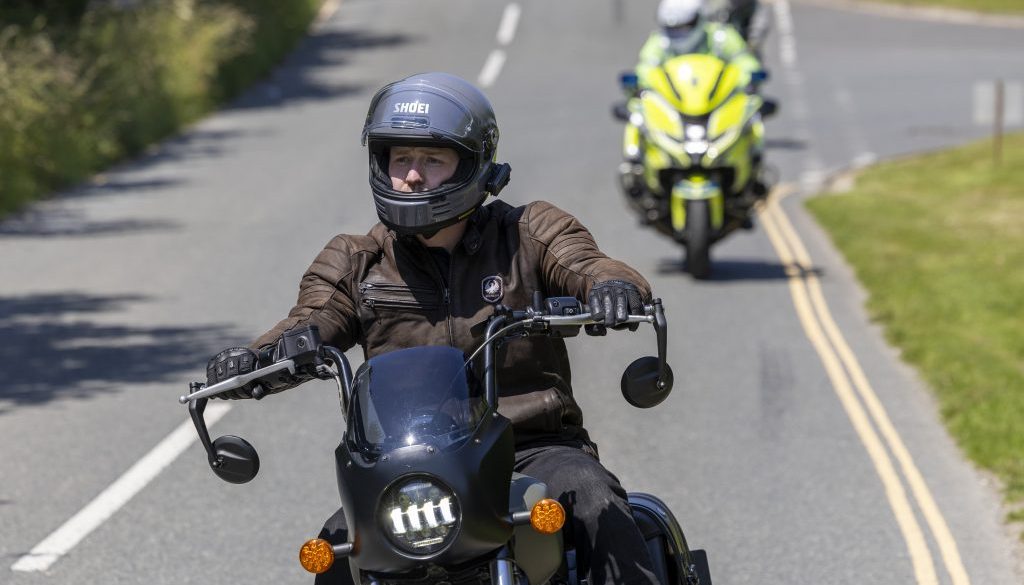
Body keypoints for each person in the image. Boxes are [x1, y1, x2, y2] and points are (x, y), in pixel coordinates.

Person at [205, 72, 660, 585]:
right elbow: (312, 318)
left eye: (432, 160)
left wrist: (611, 288)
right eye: (401, 160)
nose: (413, 176)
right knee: (333, 554)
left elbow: (587, 264)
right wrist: (260, 357)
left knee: (597, 502)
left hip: (533, 449)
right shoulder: (357, 259)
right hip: (410, 466)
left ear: (473, 166)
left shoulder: (528, 232)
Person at [636, 0, 763, 88]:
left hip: (717, 102)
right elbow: (645, 68)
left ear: (699, 19)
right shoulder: (660, 42)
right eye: (672, 29)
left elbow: (745, 62)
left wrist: (745, 81)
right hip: (674, 105)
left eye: (684, 27)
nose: (678, 34)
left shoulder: (720, 37)